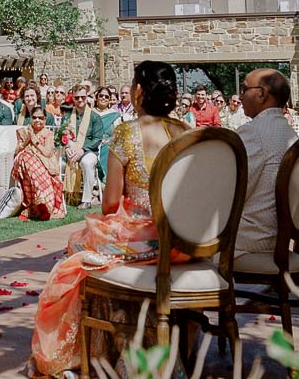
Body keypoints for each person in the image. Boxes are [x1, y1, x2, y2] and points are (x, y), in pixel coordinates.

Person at [29, 61, 189, 377]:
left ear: (139, 91)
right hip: (185, 242)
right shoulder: (187, 132)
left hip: (148, 242)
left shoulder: (127, 132)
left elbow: (111, 203)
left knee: (79, 249)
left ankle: (103, 345)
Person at [235, 68, 299, 256]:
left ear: (262, 94)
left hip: (250, 238)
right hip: (278, 233)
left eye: (244, 89)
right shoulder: (289, 132)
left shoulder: (253, 132)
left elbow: (234, 191)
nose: (240, 97)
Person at [5, 105, 66, 221]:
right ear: (30, 119)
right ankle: (40, 204)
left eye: (41, 118)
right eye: (34, 118)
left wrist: (34, 140)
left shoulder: (48, 133)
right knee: (27, 158)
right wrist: (28, 139)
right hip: (24, 161)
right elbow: (17, 151)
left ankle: (42, 206)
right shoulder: (24, 132)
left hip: (44, 162)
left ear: (45, 119)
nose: (37, 120)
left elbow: (47, 153)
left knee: (35, 167)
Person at [59, 85, 104, 209]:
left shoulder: (95, 117)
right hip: (70, 151)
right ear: (73, 98)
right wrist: (67, 148)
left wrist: (82, 150)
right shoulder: (67, 117)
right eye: (77, 97)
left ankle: (86, 200)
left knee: (87, 163)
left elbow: (97, 139)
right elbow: (60, 138)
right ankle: (58, 197)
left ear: (87, 97)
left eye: (83, 97)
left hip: (89, 151)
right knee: (53, 164)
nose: (80, 100)